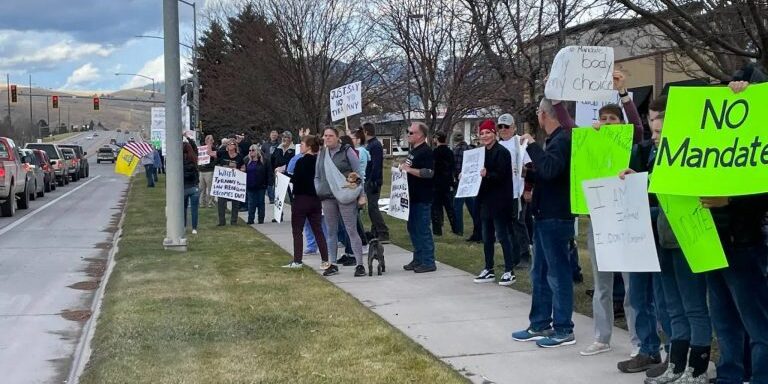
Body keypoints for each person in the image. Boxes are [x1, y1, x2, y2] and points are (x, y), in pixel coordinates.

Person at [551, 70, 650, 359]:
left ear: (620, 124)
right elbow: (569, 126)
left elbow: (638, 128)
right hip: (599, 220)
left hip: (627, 222)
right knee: (601, 284)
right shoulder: (589, 143)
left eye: (613, 119)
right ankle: (602, 337)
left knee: (632, 287)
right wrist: (557, 100)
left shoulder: (629, 143)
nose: (607, 123)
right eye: (604, 119)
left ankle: (638, 340)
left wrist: (623, 95)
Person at [620, 95, 712, 384]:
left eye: (661, 132)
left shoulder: (691, 159)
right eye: (654, 131)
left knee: (694, 307)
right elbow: (660, 202)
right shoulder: (658, 159)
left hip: (687, 242)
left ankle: (697, 369)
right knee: (673, 307)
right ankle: (676, 365)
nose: (655, 137)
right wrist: (637, 180)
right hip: (664, 242)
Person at [701, 74, 768, 384]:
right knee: (724, 318)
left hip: (745, 241)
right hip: (712, 241)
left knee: (756, 322)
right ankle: (730, 374)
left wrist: (730, 200)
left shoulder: (758, 142)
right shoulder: (709, 146)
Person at [511, 98, 575, 348]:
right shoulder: (555, 141)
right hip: (544, 214)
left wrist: (533, 147)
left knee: (557, 274)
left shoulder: (562, 140)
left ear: (543, 115)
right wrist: (529, 171)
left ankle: (563, 328)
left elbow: (552, 169)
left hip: (556, 216)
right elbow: (549, 174)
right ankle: (539, 323)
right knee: (539, 273)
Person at [469, 120, 517, 286]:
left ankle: (509, 270)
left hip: (500, 201)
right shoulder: (480, 153)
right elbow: (475, 173)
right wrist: (466, 177)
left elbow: (502, 175)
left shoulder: (502, 152)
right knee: (487, 237)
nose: (485, 136)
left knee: (502, 236)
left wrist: (487, 174)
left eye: (488, 132)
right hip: (485, 200)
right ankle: (488, 268)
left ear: (494, 134)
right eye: (482, 134)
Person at [314, 127, 366, 277]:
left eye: (331, 136)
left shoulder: (347, 151)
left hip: (346, 196)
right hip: (328, 196)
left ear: (338, 137)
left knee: (351, 230)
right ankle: (333, 263)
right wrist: (318, 188)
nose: (327, 138)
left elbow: (358, 174)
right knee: (331, 231)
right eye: (325, 136)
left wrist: (362, 194)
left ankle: (359, 264)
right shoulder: (322, 153)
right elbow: (317, 174)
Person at [283, 135, 330, 269]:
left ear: (309, 146)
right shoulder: (320, 161)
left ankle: (297, 261)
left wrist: (284, 175)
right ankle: (325, 260)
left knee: (297, 230)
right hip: (315, 199)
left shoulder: (301, 162)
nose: (301, 146)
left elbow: (296, 180)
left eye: (303, 144)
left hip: (301, 199)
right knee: (318, 230)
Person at [497, 113, 532, 267]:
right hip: (502, 192)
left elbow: (530, 167)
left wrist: (528, 189)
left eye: (507, 126)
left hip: (518, 191)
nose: (503, 129)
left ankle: (524, 255)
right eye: (500, 126)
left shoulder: (520, 143)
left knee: (518, 223)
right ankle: (511, 256)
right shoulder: (497, 145)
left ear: (513, 128)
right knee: (505, 225)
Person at [401, 122, 437, 273]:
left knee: (423, 229)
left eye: (411, 133)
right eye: (408, 132)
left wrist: (409, 170)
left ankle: (428, 261)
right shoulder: (413, 151)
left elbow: (429, 173)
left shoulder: (426, 152)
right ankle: (418, 257)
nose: (409, 135)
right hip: (411, 197)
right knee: (412, 228)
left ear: (421, 135)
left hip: (422, 197)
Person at [362, 122, 390, 243]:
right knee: (371, 207)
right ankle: (375, 231)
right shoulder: (370, 145)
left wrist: (373, 180)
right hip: (369, 179)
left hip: (374, 180)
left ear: (366, 132)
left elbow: (376, 164)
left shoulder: (375, 145)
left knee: (373, 208)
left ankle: (383, 231)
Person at [452, 133, 481, 242]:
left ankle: (458, 230)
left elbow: (454, 166)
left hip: (460, 181)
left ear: (455, 140)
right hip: (470, 181)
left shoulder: (455, 151)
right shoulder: (470, 149)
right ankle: (479, 228)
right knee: (472, 207)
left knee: (457, 206)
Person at [431, 131, 458, 236]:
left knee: (436, 208)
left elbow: (432, 168)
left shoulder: (435, 153)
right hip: (447, 183)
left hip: (436, 183)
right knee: (450, 208)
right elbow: (452, 167)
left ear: (437, 139)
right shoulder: (450, 152)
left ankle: (437, 230)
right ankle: (456, 228)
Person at [216, 139, 245, 226]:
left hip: (234, 183)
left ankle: (233, 221)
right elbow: (213, 157)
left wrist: (238, 170)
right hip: (223, 183)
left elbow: (243, 168)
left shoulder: (239, 157)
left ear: (235, 146)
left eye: (231, 144)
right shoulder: (222, 154)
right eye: (228, 144)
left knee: (235, 203)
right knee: (221, 202)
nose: (229, 145)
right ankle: (221, 222)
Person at [245, 144, 272, 225]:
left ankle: (261, 219)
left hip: (261, 186)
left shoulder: (264, 161)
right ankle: (250, 219)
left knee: (260, 203)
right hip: (250, 186)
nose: (251, 152)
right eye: (249, 150)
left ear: (257, 151)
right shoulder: (246, 160)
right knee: (251, 204)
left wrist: (269, 183)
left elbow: (269, 172)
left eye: (253, 150)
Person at [182, 141, 200, 234]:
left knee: (183, 208)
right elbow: (195, 148)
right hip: (194, 186)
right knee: (194, 209)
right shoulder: (194, 159)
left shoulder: (179, 161)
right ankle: (194, 228)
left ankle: (184, 226)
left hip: (184, 187)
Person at [198, 135, 217, 208]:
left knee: (210, 188)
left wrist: (210, 165)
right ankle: (202, 203)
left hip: (209, 171)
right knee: (201, 188)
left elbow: (216, 160)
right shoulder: (202, 149)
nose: (210, 141)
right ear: (206, 141)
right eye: (209, 140)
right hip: (202, 171)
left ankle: (210, 202)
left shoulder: (214, 149)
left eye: (211, 140)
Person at [262, 130, 280, 204]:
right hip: (267, 165)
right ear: (270, 136)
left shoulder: (279, 145)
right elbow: (261, 154)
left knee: (276, 183)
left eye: (275, 135)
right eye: (272, 135)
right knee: (269, 182)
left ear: (277, 136)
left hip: (276, 165)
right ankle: (271, 198)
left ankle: (277, 197)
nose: (274, 136)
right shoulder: (265, 145)